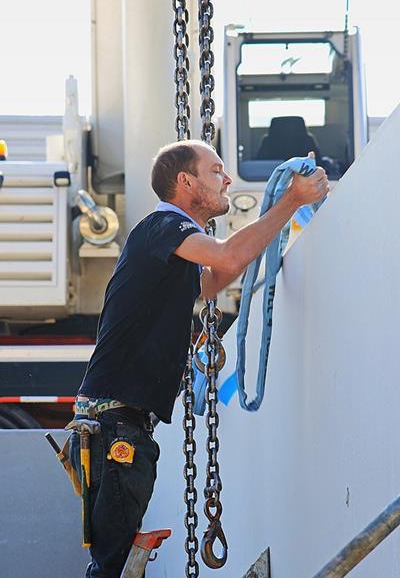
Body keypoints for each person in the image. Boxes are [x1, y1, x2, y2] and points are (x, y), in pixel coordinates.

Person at [69, 139, 329, 577]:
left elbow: (218, 276)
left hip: (122, 427)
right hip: (115, 428)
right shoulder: (162, 226)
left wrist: (279, 215)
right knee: (111, 569)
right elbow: (228, 255)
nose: (227, 179)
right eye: (216, 170)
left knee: (114, 566)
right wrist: (291, 201)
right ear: (184, 182)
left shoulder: (172, 256)